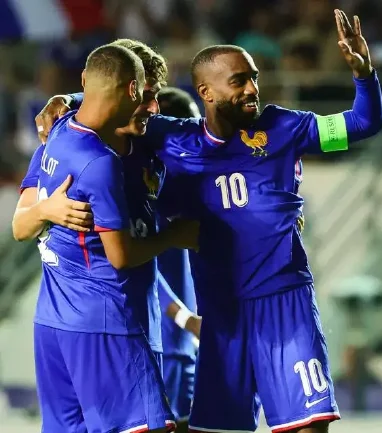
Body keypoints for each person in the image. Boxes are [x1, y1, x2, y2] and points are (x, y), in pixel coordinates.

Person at [36, 9, 382, 433]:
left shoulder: (285, 127)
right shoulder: (172, 139)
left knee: (309, 426)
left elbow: (365, 121)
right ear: (206, 91)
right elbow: (111, 104)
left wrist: (364, 74)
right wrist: (69, 100)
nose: (252, 89)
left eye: (254, 78)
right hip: (221, 316)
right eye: (239, 81)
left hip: (285, 304)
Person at [15, 44, 198, 433]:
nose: (152, 108)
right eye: (145, 95)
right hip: (109, 323)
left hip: (72, 320)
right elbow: (21, 227)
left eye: (156, 97)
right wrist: (45, 210)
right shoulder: (91, 156)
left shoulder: (78, 132)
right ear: (128, 90)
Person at [156, 86, 203, 432]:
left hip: (186, 339)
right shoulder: (150, 188)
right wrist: (185, 319)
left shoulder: (188, 184)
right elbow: (137, 266)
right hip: (169, 341)